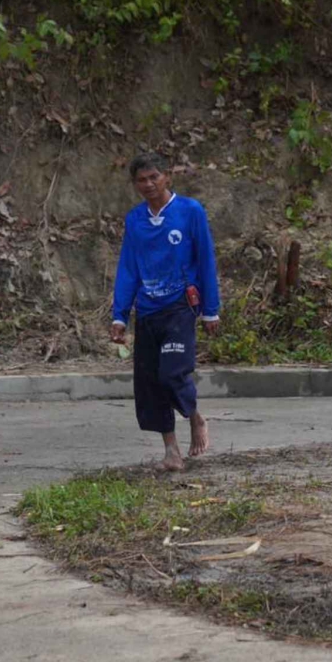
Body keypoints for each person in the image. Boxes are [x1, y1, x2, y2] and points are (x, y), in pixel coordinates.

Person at [111, 153, 222, 472]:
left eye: (154, 177)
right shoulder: (134, 220)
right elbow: (128, 268)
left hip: (180, 305)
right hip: (147, 309)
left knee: (172, 372)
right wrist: (120, 315)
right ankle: (171, 450)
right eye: (141, 180)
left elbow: (206, 260)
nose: (148, 184)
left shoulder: (190, 211)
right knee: (149, 384)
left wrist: (210, 310)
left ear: (167, 177)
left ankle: (195, 416)